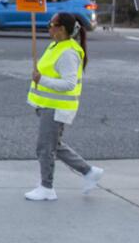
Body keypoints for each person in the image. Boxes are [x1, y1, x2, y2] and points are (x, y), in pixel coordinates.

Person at [24, 11, 103, 200]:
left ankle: (47, 187)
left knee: (45, 147)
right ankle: (89, 171)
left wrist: (41, 80)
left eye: (52, 24)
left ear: (62, 29)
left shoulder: (68, 52)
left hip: (56, 108)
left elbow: (68, 84)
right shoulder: (57, 46)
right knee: (54, 146)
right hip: (49, 105)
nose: (49, 27)